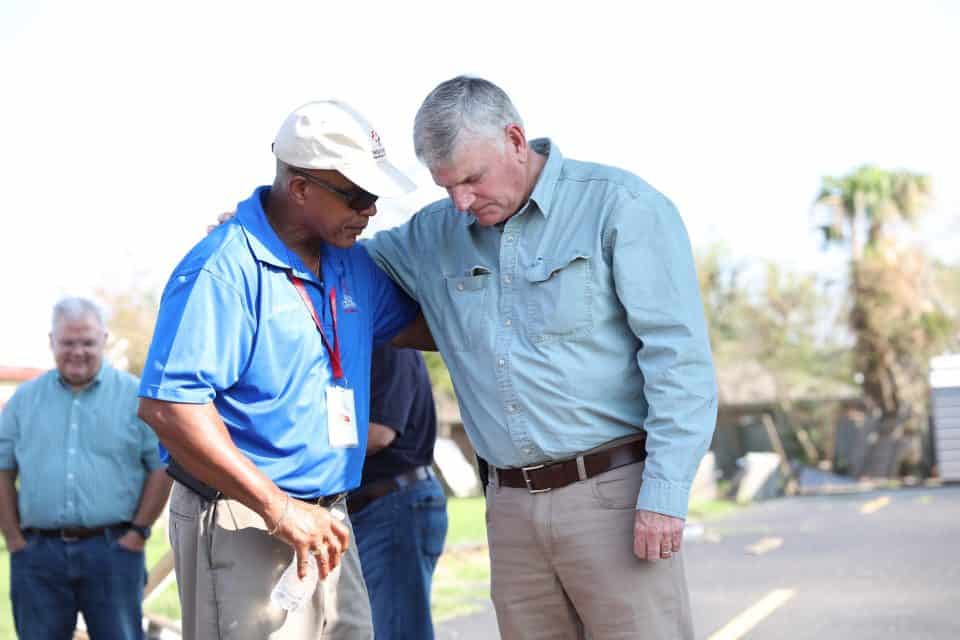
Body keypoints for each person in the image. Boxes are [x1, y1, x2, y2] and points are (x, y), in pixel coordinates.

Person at [365, 76, 718, 639]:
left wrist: (666, 495)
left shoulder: (621, 208)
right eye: (446, 185)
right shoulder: (434, 234)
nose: (461, 201)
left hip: (614, 498)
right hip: (510, 511)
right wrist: (260, 236)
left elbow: (680, 364)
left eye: (472, 179)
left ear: (514, 139)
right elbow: (336, 267)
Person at [136, 101, 428, 640]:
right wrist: (280, 510)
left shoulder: (349, 262)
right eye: (357, 196)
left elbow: (432, 330)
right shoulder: (225, 267)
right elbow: (168, 407)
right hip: (246, 519)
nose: (369, 212)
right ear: (299, 188)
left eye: (375, 197)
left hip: (328, 521)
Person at [0, 297, 172, 640]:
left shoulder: (136, 397)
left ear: (104, 340)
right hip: (37, 557)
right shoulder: (23, 401)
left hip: (114, 553)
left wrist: (138, 532)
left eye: (87, 342)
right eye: (68, 342)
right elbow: (2, 468)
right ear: (52, 342)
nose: (77, 351)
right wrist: (14, 539)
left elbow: (161, 467)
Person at [348, 344, 447, 639]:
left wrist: (303, 449)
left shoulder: (387, 344)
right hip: (379, 506)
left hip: (393, 505)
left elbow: (379, 432)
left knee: (397, 632)